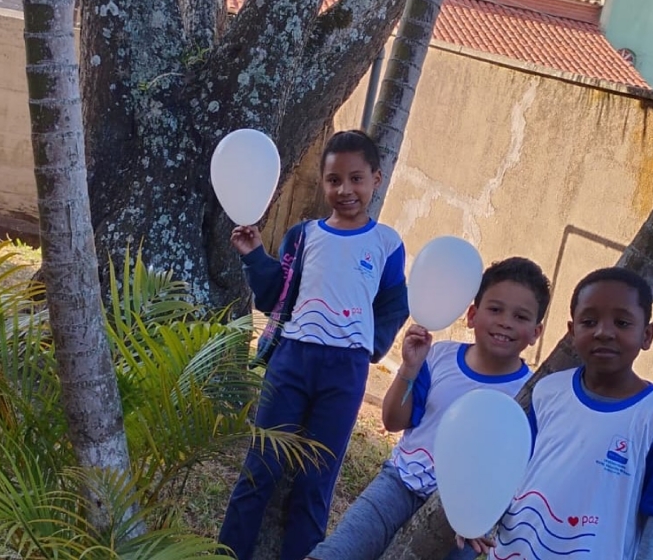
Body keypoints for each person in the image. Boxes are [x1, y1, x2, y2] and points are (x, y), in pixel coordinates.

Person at [218, 130, 409, 560]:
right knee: (260, 468)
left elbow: (395, 302)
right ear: (323, 182)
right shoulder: (303, 236)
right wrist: (254, 255)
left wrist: (371, 344)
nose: (345, 190)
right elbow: (276, 294)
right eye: (334, 180)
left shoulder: (387, 244)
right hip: (292, 361)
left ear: (376, 179)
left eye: (356, 179)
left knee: (316, 480)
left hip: (345, 373)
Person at [306, 257, 551, 560]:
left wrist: (479, 516)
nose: (505, 322)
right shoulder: (439, 357)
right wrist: (410, 367)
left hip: (461, 520)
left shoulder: (530, 396)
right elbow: (393, 421)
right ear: (472, 315)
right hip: (400, 484)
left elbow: (516, 470)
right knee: (336, 552)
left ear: (536, 332)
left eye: (520, 316)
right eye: (495, 309)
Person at [490, 267, 653, 560]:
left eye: (622, 323)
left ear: (647, 335)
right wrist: (484, 517)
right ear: (572, 332)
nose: (603, 332)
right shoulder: (548, 391)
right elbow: (514, 469)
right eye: (589, 321)